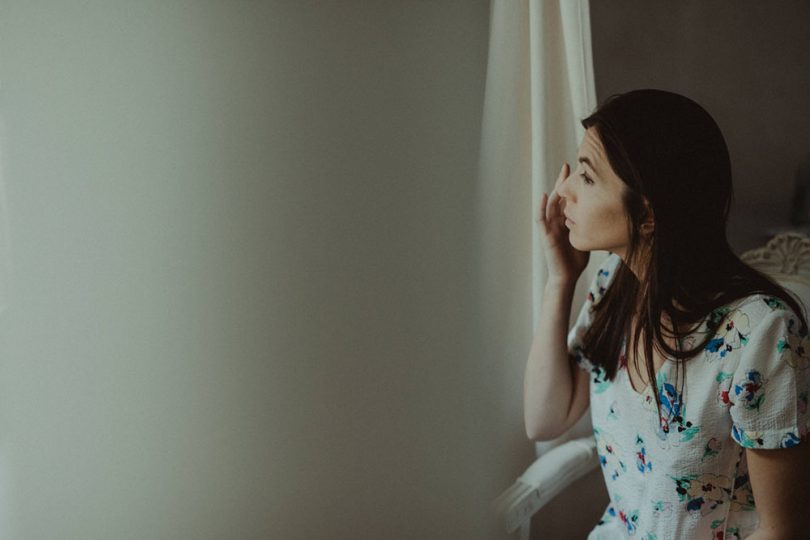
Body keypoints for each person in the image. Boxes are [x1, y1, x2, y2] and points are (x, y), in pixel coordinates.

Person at [525, 89, 810, 539]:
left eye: (586, 176)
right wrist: (560, 281)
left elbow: (781, 531)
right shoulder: (612, 287)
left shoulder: (761, 335)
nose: (563, 193)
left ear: (648, 214)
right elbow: (545, 417)